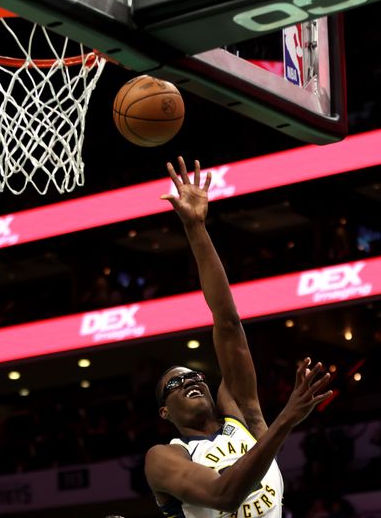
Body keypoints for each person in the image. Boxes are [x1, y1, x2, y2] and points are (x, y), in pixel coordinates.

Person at [144, 157, 334, 518]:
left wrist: (196, 226)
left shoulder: (242, 415)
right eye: (177, 383)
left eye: (195, 376)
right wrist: (285, 420)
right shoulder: (164, 457)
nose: (191, 381)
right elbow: (225, 494)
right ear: (165, 411)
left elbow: (227, 322)